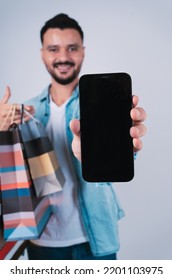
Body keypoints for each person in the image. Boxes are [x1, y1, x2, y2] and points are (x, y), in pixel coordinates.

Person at [0, 13, 147, 260]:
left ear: (83, 52)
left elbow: (119, 164)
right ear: (42, 54)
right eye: (54, 49)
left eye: (72, 48)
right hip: (41, 240)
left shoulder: (103, 104)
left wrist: (127, 147)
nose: (63, 57)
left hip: (96, 239)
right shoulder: (23, 112)